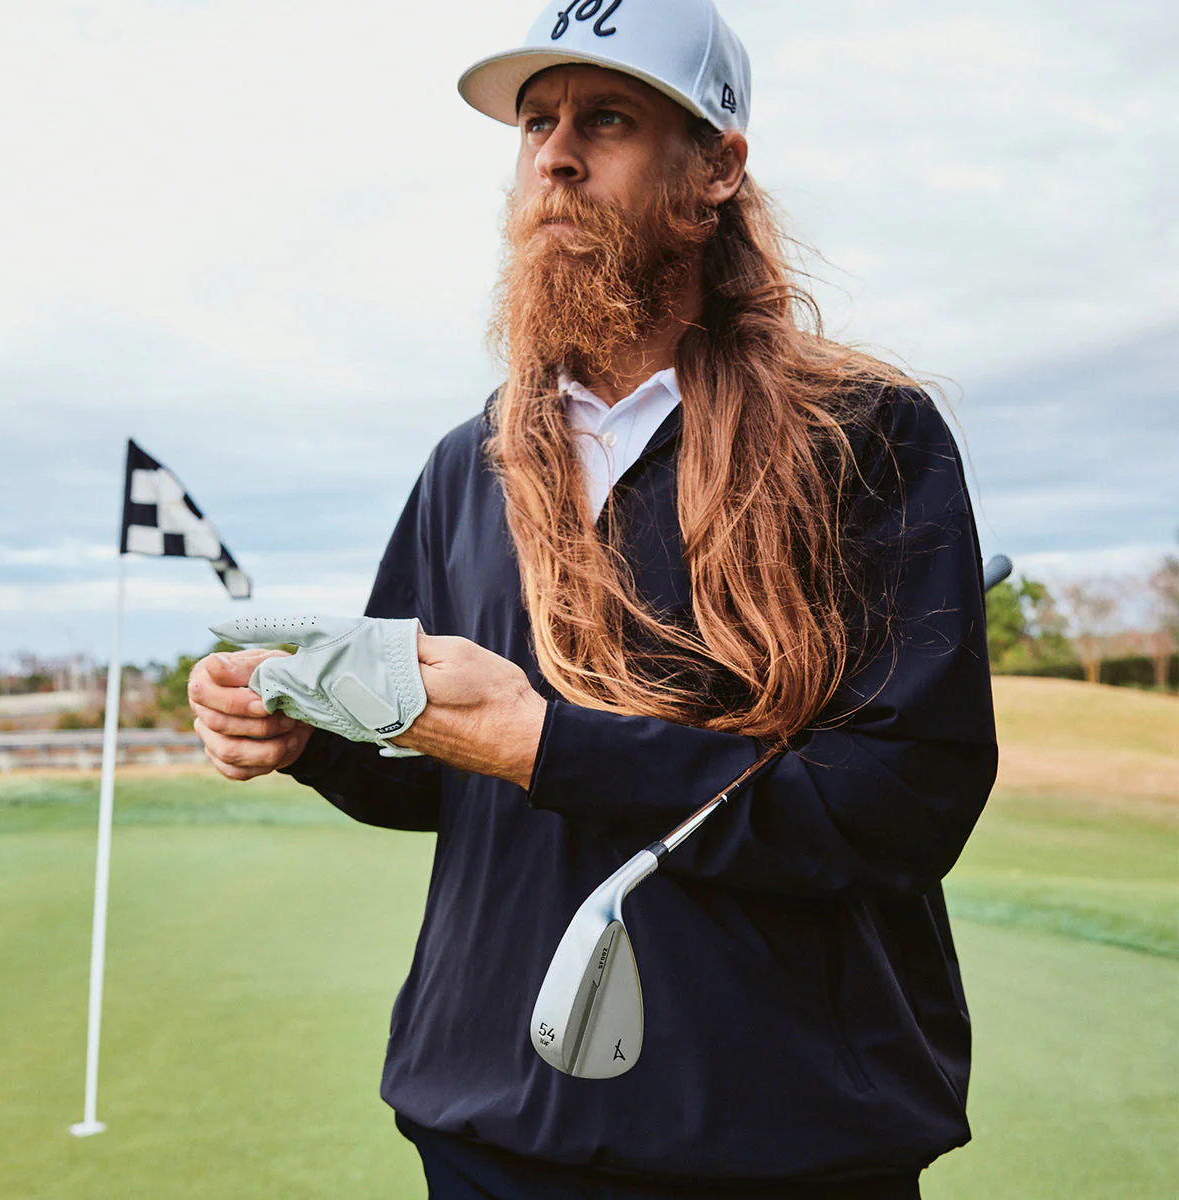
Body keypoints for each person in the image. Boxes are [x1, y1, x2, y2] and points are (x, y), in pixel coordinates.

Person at [187, 1, 997, 1196]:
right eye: (537, 123)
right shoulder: (468, 465)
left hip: (779, 1137)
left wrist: (543, 742)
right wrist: (311, 735)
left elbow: (900, 804)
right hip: (488, 1126)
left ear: (716, 167)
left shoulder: (863, 435)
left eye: (607, 120)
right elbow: (454, 784)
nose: (556, 157)